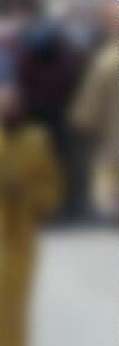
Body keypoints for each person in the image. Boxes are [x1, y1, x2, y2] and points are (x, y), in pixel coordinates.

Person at [0, 82, 62, 346]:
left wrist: (27, 194)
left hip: (23, 233)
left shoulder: (37, 140)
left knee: (17, 301)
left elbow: (52, 186)